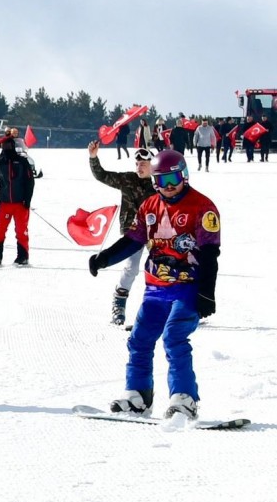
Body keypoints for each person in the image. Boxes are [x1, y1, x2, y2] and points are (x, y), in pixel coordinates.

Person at [87, 149, 220, 420]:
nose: (168, 188)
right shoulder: (149, 206)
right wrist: (105, 258)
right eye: (161, 181)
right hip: (156, 287)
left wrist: (207, 293)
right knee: (139, 339)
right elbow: (134, 240)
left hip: (188, 286)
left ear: (184, 176)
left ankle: (185, 398)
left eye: (173, 180)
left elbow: (209, 254)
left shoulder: (202, 207)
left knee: (174, 337)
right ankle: (138, 394)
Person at [87, 142, 155, 325]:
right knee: (132, 268)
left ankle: (181, 305)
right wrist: (93, 157)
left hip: (156, 233)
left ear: (152, 165)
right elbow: (102, 175)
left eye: (143, 164)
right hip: (132, 230)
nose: (139, 167)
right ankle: (119, 303)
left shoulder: (160, 185)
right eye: (137, 164)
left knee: (161, 268)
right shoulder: (127, 179)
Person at [0, 136, 37, 267]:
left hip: (21, 203)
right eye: (4, 146)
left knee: (21, 231)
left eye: (8, 145)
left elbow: (30, 182)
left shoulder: (23, 162)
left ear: (13, 146)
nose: (6, 148)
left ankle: (23, 257)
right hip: (5, 203)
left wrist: (28, 200)